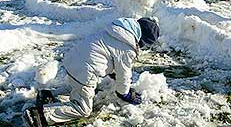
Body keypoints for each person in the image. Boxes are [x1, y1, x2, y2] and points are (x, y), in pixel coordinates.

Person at [23, 17, 160, 126]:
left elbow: (105, 53)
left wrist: (112, 72)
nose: (141, 47)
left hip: (72, 60)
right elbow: (124, 75)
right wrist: (126, 94)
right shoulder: (127, 47)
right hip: (85, 70)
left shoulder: (116, 31)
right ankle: (39, 116)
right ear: (142, 39)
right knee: (83, 109)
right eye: (144, 44)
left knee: (79, 87)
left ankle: (47, 95)